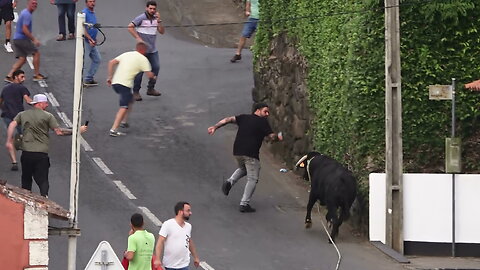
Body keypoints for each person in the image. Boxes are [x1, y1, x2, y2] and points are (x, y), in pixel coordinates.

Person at [5, 94, 87, 197]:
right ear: (39, 103)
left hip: (27, 152)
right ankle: (45, 197)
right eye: (46, 103)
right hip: (41, 153)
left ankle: (26, 199)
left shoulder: (22, 114)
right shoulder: (48, 116)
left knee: (26, 178)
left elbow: (12, 124)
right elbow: (59, 132)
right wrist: (76, 131)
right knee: (43, 178)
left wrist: (9, 140)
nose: (47, 105)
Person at [207, 102, 283, 212]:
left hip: (237, 151)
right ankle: (244, 204)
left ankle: (229, 182)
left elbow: (227, 120)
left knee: (244, 168)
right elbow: (272, 137)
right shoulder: (262, 122)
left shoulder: (243, 117)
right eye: (265, 111)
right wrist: (278, 137)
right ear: (257, 110)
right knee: (253, 178)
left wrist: (215, 127)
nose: (267, 114)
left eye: (268, 112)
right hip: (250, 153)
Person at [107, 41, 155, 137]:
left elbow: (111, 62)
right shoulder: (143, 59)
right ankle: (114, 129)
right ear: (144, 50)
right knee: (124, 106)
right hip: (124, 84)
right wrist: (154, 77)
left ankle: (124, 122)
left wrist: (110, 77)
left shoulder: (127, 54)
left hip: (116, 83)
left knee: (130, 100)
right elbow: (149, 75)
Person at [127, 0, 164, 101]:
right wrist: (138, 38)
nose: (152, 10)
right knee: (139, 72)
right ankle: (136, 92)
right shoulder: (141, 18)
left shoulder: (156, 19)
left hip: (152, 50)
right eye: (150, 8)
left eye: (154, 9)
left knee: (156, 68)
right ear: (146, 8)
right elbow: (130, 27)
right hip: (142, 51)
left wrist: (159, 21)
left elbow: (162, 32)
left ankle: (150, 89)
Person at [5, 0, 47, 83]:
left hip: (17, 39)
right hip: (22, 39)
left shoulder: (24, 12)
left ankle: (10, 76)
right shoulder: (27, 14)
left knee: (22, 59)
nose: (34, 5)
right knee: (36, 53)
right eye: (32, 3)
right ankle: (36, 74)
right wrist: (34, 39)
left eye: (36, 4)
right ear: (28, 4)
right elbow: (25, 29)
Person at [0, 69, 32, 171]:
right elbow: (28, 100)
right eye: (22, 77)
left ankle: (14, 162)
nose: (24, 79)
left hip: (7, 116)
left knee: (10, 139)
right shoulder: (22, 88)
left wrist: (4, 109)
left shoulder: (5, 89)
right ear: (15, 77)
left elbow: (0, 101)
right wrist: (37, 104)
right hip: (19, 117)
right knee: (26, 137)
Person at [154, 202, 200, 270]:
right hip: (170, 266)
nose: (190, 213)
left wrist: (196, 257)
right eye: (188, 210)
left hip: (184, 265)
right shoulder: (168, 224)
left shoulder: (188, 226)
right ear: (180, 212)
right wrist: (157, 259)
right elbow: (160, 242)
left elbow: (189, 241)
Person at [82, 0, 101, 86]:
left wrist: (94, 38)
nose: (92, 3)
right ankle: (83, 81)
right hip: (86, 42)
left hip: (92, 41)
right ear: (86, 3)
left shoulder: (92, 13)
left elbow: (92, 27)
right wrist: (90, 39)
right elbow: (82, 29)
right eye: (90, 1)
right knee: (84, 62)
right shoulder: (84, 13)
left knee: (97, 59)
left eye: (93, 1)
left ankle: (89, 78)